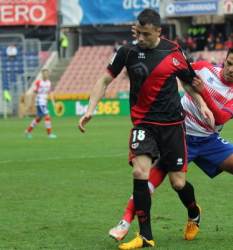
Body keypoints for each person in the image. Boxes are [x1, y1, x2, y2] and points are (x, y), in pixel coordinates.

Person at [109, 44, 233, 243]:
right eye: (228, 63)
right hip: (179, 134)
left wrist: (203, 92)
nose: (230, 69)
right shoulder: (203, 68)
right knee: (150, 178)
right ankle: (125, 221)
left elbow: (220, 118)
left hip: (208, 140)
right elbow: (176, 70)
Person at [78, 9, 214, 250]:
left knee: (178, 183)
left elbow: (187, 83)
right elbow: (103, 81)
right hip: (143, 124)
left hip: (173, 125)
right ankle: (146, 236)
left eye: (146, 34)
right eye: (138, 32)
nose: (140, 38)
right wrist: (91, 109)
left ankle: (194, 212)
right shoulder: (127, 52)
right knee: (140, 172)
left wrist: (203, 104)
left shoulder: (174, 51)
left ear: (158, 32)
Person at [24, 69, 57, 138]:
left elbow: (50, 92)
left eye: (46, 73)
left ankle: (28, 131)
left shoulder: (48, 82)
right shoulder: (39, 82)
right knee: (47, 115)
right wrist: (31, 103)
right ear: (42, 74)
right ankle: (49, 134)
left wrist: (53, 102)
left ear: (48, 74)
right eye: (44, 73)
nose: (45, 75)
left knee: (39, 118)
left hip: (44, 102)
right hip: (39, 102)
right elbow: (34, 92)